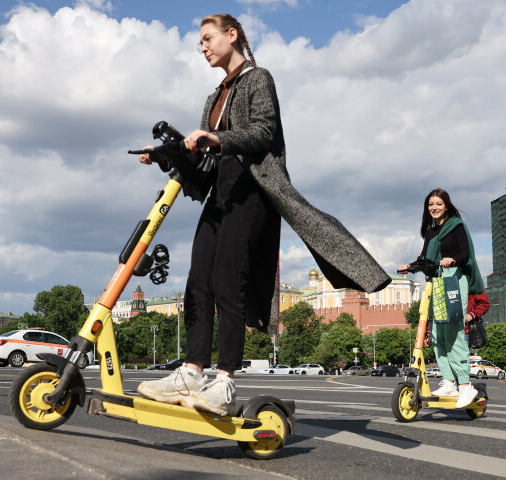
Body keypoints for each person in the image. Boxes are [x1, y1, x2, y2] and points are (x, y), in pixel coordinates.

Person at [137, 13, 391, 416]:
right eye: (199, 42)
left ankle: (224, 382)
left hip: (252, 191)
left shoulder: (258, 79)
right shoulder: (213, 97)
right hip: (220, 195)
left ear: (232, 35)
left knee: (227, 282)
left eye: (208, 38)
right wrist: (168, 156)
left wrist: (215, 137)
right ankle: (191, 372)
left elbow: (263, 132)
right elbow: (203, 164)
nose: (202, 47)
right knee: (197, 282)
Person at [398, 188, 485, 408]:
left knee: (454, 333)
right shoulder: (430, 232)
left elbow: (465, 254)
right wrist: (410, 266)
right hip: (436, 282)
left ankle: (465, 385)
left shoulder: (456, 225)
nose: (434, 208)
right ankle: (448, 382)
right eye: (431, 204)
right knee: (438, 335)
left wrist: (451, 260)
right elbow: (425, 260)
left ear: (446, 205)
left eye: (438, 203)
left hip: (454, 279)